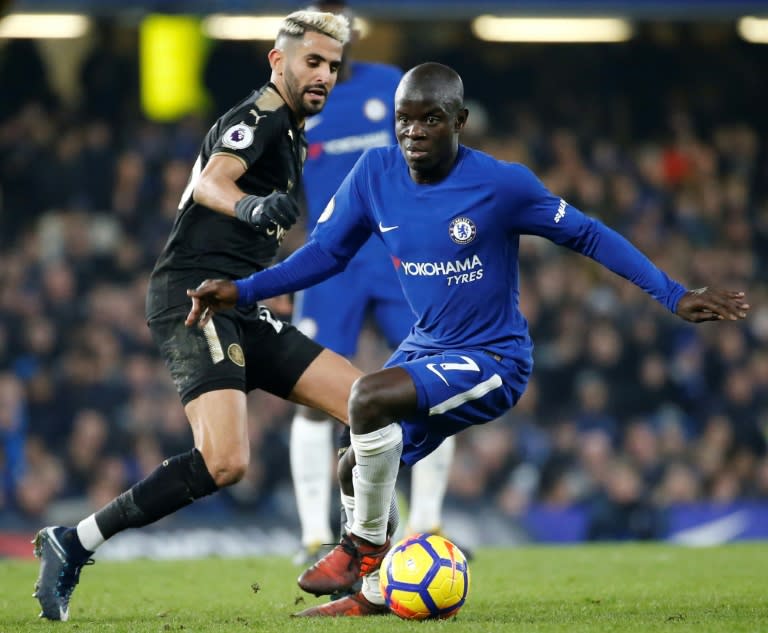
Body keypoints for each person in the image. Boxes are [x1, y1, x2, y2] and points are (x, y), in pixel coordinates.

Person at [185, 62, 751, 617]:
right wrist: (244, 289)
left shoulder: (501, 184)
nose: (413, 131)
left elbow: (587, 234)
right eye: (404, 119)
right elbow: (325, 254)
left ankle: (362, 551)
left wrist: (673, 294)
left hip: (493, 359)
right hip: (427, 346)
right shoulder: (375, 173)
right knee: (352, 464)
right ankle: (374, 594)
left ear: (460, 121)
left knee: (367, 397)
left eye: (430, 119)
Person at [31, 10, 359, 622]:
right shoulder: (256, 117)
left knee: (367, 402)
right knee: (227, 461)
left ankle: (361, 554)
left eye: (333, 67)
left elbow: (246, 221)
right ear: (277, 60)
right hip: (195, 296)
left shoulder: (290, 130)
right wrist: (256, 207)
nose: (323, 76)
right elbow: (213, 183)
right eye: (312, 62)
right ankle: (73, 543)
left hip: (240, 297)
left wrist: (273, 280)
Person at [288, 0, 456, 566]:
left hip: (396, 259)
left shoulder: (391, 87)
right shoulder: (292, 104)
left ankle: (428, 524)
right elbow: (280, 191)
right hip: (329, 263)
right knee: (311, 396)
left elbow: (432, 163)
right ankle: (314, 534)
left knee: (433, 383)